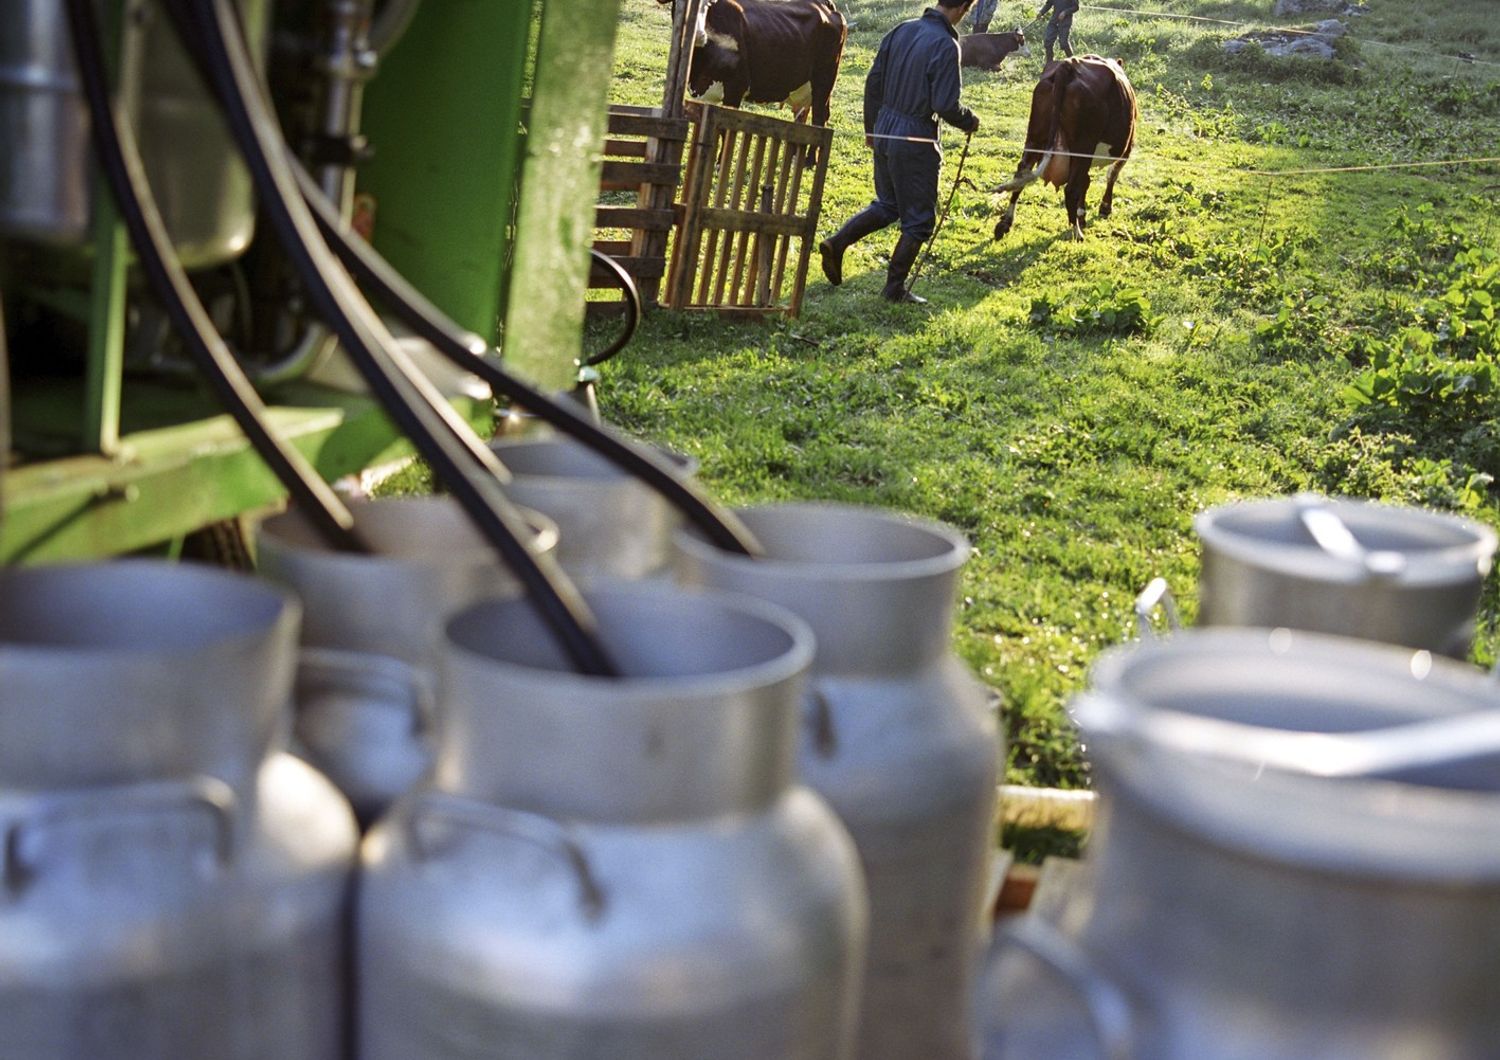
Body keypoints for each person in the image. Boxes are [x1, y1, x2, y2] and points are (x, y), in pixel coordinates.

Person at [818, 0, 980, 304]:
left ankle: (837, 242)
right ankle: (893, 289)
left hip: (885, 126)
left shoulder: (901, 30)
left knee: (889, 204)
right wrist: (969, 120)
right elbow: (945, 105)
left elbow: (873, 83)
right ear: (963, 10)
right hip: (915, 136)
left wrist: (872, 130)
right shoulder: (946, 45)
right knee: (918, 220)